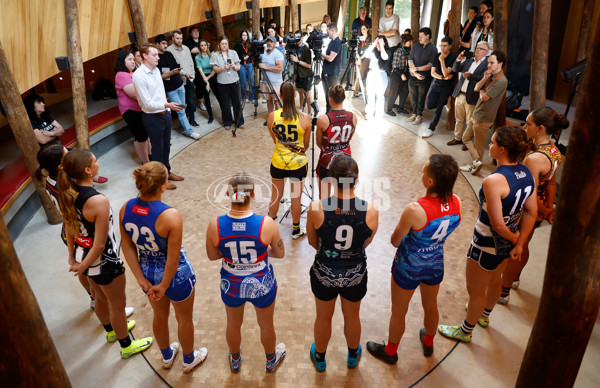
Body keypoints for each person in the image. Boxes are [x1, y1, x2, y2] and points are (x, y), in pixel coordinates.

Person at [438, 126, 537, 343]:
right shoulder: (526, 172)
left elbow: (498, 225)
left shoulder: (494, 181)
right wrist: (519, 243)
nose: (489, 146)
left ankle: (465, 331)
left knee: (475, 291)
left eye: (492, 143)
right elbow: (531, 210)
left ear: (501, 150)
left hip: (486, 244)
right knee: (495, 281)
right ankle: (484, 316)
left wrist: (514, 239)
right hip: (509, 243)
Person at [58, 148, 153, 358]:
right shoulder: (98, 201)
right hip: (104, 261)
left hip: (84, 257)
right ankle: (126, 345)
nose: (97, 162)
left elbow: (69, 227)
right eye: (95, 160)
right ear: (88, 170)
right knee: (117, 305)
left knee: (99, 297)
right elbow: (100, 244)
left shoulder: (67, 192)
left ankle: (111, 332)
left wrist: (73, 257)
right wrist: (81, 266)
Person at [367, 154, 461, 363]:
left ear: (430, 181)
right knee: (431, 305)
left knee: (399, 311)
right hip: (436, 263)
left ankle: (390, 352)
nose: (421, 172)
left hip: (409, 266)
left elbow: (394, 240)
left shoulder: (415, 210)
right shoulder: (457, 202)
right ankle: (428, 342)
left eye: (423, 170)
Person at [120, 162, 208, 373]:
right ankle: (188, 360)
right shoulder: (170, 215)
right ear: (163, 186)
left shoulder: (126, 208)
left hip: (147, 273)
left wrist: (141, 279)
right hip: (174, 276)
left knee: (159, 316)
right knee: (184, 318)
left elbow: (127, 245)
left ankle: (167, 357)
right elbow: (173, 258)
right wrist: (165, 284)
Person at [205, 173, 286, 373]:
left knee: (233, 324)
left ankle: (235, 360)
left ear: (227, 194)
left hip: (231, 284)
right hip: (262, 284)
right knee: (266, 325)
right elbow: (280, 252)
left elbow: (213, 256)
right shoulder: (266, 223)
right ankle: (270, 360)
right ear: (253, 194)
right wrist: (259, 253)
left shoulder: (214, 224)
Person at [306, 155, 379, 371]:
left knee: (323, 317)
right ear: (356, 179)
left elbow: (312, 242)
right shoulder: (371, 210)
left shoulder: (317, 207)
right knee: (353, 316)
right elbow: (365, 243)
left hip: (324, 273)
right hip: (355, 274)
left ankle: (320, 356)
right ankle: (353, 355)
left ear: (330, 178)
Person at [499, 108, 568, 304]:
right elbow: (552, 183)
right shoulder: (554, 150)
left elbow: (530, 192)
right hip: (541, 206)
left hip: (528, 208)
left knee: (517, 245)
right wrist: (549, 207)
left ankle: (503, 291)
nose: (523, 126)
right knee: (525, 242)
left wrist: (544, 209)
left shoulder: (534, 159)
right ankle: (516, 277)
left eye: (527, 124)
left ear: (540, 128)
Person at [132, 43, 186, 190]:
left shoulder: (156, 70)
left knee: (166, 147)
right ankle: (160, 181)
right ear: (144, 56)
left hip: (164, 114)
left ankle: (167, 172)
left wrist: (167, 108)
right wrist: (167, 105)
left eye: (157, 54)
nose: (158, 57)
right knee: (157, 150)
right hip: (152, 118)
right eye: (154, 55)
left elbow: (160, 94)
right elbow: (147, 103)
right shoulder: (138, 76)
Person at [25, 94, 109, 183]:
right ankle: (89, 178)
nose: (43, 104)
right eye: (39, 102)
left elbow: (61, 130)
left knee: (84, 155)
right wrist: (55, 133)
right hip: (51, 154)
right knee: (77, 159)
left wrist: (50, 133)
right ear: (32, 105)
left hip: (60, 148)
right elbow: (42, 140)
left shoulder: (46, 115)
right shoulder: (31, 122)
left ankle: (91, 176)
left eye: (43, 102)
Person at [267, 82, 311, 238]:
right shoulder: (305, 118)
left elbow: (275, 140)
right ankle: (296, 230)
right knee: (296, 199)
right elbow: (306, 145)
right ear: (295, 95)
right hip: (297, 163)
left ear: (280, 96)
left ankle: (269, 228)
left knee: (275, 196)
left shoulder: (272, 116)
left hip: (278, 162)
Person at [460, 50, 508, 174]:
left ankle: (474, 165)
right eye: (488, 62)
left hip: (484, 117)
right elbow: (476, 88)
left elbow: (484, 97)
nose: (489, 65)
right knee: (465, 138)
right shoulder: (490, 75)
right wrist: (484, 78)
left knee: (478, 144)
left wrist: (481, 91)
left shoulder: (501, 80)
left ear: (500, 64)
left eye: (492, 63)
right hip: (477, 113)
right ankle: (476, 161)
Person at [155, 35, 200, 140]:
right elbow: (161, 77)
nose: (166, 46)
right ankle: (190, 132)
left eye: (166, 44)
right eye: (163, 44)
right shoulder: (157, 59)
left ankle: (182, 128)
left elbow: (176, 67)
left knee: (183, 108)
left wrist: (179, 72)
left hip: (180, 85)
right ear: (157, 44)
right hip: (171, 89)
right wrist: (171, 72)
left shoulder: (169, 54)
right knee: (180, 111)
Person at [316, 85, 357, 200]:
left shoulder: (322, 119)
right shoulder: (353, 116)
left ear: (330, 99)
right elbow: (349, 138)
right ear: (344, 98)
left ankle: (326, 217)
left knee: (324, 197)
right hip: (346, 161)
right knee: (344, 196)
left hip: (327, 161)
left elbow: (319, 143)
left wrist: (331, 148)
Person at [447, 41, 489, 149]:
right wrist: (458, 60)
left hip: (472, 96)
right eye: (477, 48)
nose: (477, 50)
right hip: (460, 93)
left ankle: (467, 141)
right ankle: (458, 137)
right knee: (459, 118)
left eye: (480, 49)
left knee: (470, 121)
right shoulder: (469, 60)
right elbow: (456, 69)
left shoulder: (487, 64)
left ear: (486, 52)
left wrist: (470, 76)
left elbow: (484, 79)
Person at [114, 50, 151, 164]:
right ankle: (146, 162)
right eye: (129, 59)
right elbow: (134, 93)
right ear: (122, 62)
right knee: (141, 136)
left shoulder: (132, 73)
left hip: (139, 109)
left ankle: (150, 155)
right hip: (130, 111)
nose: (133, 62)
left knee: (146, 134)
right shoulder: (121, 74)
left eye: (133, 59)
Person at [421, 37, 457, 139]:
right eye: (441, 45)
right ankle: (447, 101)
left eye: (445, 46)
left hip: (447, 87)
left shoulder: (453, 57)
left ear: (450, 46)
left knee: (439, 109)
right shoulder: (436, 55)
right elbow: (433, 73)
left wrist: (442, 61)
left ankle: (431, 129)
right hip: (436, 84)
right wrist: (442, 77)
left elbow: (446, 72)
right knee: (429, 105)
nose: (442, 48)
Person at [211, 35, 244, 130]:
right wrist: (223, 68)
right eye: (222, 44)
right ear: (219, 44)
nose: (224, 45)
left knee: (237, 102)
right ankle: (227, 122)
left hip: (234, 81)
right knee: (225, 103)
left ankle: (239, 122)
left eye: (226, 44)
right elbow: (215, 69)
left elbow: (239, 67)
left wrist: (234, 66)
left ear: (228, 44)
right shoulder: (215, 55)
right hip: (222, 82)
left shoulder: (233, 53)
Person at [167, 30, 198, 127]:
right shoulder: (169, 51)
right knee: (181, 104)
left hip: (190, 79)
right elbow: (173, 67)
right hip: (179, 81)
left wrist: (193, 75)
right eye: (177, 38)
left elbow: (191, 63)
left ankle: (192, 120)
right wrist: (185, 73)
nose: (179, 40)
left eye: (181, 38)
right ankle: (183, 125)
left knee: (190, 100)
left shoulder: (186, 48)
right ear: (172, 38)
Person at [407, 27, 437, 126]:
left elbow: (430, 65)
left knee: (421, 98)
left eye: (421, 36)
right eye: (419, 36)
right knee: (413, 97)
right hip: (413, 76)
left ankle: (419, 116)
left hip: (425, 78)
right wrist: (415, 73)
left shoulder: (433, 49)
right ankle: (414, 114)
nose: (419, 38)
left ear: (427, 36)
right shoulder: (415, 46)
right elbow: (410, 60)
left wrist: (417, 69)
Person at [364, 36, 391, 121]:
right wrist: (374, 44)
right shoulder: (373, 50)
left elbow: (384, 57)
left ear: (384, 43)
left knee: (380, 96)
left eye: (380, 42)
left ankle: (379, 115)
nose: (378, 43)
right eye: (377, 41)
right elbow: (366, 54)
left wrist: (381, 46)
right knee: (370, 95)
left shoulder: (388, 52)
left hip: (381, 74)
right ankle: (369, 114)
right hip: (372, 73)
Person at [259, 35, 284, 124]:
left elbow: (280, 68)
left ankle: (279, 120)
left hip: (276, 83)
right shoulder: (263, 53)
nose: (269, 43)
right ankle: (271, 118)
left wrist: (266, 67)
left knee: (277, 102)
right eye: (268, 41)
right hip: (265, 82)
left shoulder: (278, 54)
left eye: (271, 41)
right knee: (269, 101)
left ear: (274, 43)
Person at [386, 33, 412, 116]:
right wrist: (401, 74)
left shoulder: (409, 50)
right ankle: (389, 109)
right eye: (409, 41)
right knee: (394, 92)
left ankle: (400, 107)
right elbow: (395, 65)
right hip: (397, 74)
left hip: (405, 73)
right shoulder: (399, 50)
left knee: (404, 91)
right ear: (404, 41)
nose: (411, 43)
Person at [289, 30, 313, 115]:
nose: (297, 39)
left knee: (307, 94)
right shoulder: (294, 47)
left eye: (298, 37)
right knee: (300, 91)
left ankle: (310, 112)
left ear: (302, 38)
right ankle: (301, 107)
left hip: (306, 74)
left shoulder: (306, 49)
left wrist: (297, 61)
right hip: (298, 74)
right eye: (295, 37)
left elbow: (309, 65)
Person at [321, 23, 342, 113]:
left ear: (332, 31)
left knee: (331, 96)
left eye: (328, 31)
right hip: (326, 72)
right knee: (327, 95)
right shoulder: (332, 41)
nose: (327, 33)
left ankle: (330, 115)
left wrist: (320, 54)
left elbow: (330, 58)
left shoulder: (337, 42)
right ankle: (328, 113)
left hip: (332, 73)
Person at [195, 39, 216, 124]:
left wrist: (209, 80)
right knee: (206, 97)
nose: (204, 47)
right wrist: (206, 82)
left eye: (205, 45)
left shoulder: (211, 56)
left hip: (212, 75)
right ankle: (211, 116)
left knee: (219, 94)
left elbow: (214, 69)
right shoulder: (197, 57)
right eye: (202, 45)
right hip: (203, 77)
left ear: (207, 46)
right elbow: (200, 70)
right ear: (199, 47)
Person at [234, 30, 256, 103]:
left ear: (247, 36)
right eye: (243, 35)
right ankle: (244, 97)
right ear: (241, 36)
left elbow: (253, 53)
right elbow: (235, 56)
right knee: (243, 82)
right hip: (242, 65)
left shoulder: (250, 44)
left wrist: (248, 56)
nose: (244, 37)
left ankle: (252, 98)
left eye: (246, 35)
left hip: (249, 64)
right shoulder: (238, 45)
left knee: (251, 82)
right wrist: (242, 58)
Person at [353, 24, 372, 98]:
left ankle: (356, 91)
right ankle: (358, 91)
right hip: (359, 58)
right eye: (362, 29)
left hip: (366, 59)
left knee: (359, 75)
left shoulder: (370, 38)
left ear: (367, 29)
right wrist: (358, 57)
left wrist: (361, 58)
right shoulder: (359, 38)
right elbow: (356, 49)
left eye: (364, 29)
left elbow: (369, 50)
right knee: (358, 75)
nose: (363, 31)